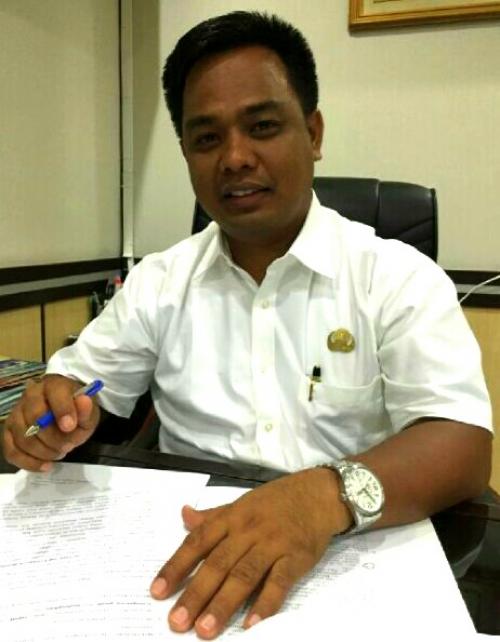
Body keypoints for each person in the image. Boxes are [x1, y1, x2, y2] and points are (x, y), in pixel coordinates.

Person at [2, 11, 493, 640]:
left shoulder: (396, 276)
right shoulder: (160, 280)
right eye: (207, 138)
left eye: (262, 127)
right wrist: (55, 408)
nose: (235, 158)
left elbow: (460, 444)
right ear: (187, 155)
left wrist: (321, 497)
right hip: (186, 561)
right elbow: (80, 384)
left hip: (352, 557)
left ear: (313, 133)